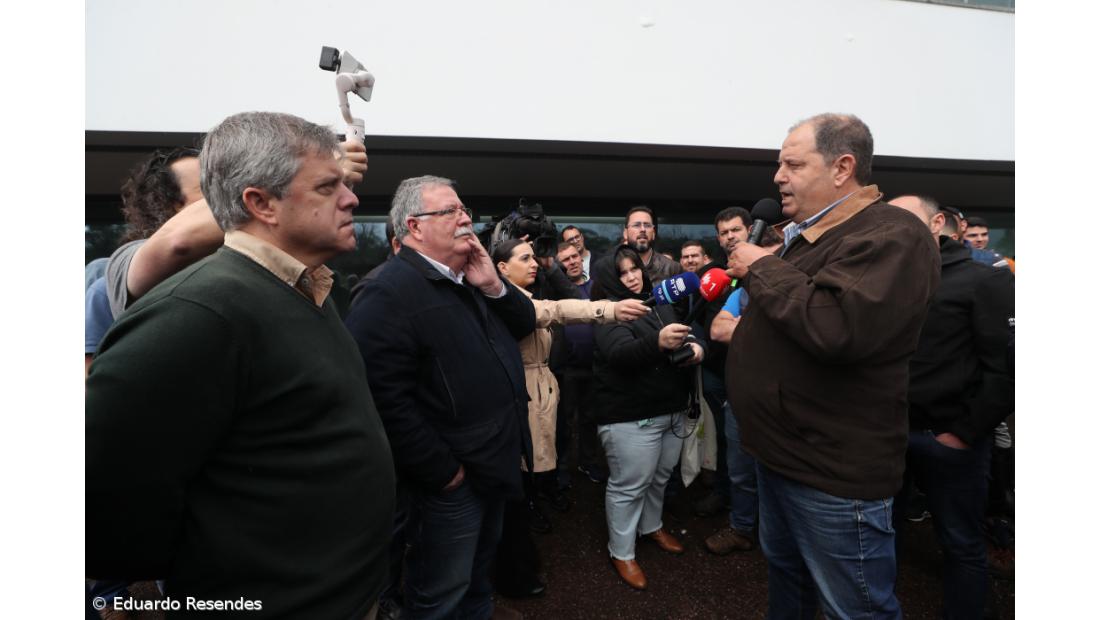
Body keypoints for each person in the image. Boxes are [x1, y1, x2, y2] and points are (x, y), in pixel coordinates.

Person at [86, 111, 395, 618]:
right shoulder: (198, 311)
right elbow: (105, 498)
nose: (352, 198)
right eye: (327, 186)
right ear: (260, 203)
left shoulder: (307, 290)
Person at [725, 113, 940, 618]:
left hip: (831, 476)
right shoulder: (810, 235)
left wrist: (761, 264)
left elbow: (836, 326)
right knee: (790, 582)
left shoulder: (893, 233)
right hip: (781, 457)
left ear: (843, 167)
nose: (778, 176)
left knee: (855, 608)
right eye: (779, 164)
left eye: (793, 164)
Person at [345, 175, 536, 620]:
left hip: (493, 465)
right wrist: (444, 472)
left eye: (464, 208)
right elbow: (381, 398)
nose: (465, 218)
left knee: (477, 581)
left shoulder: (469, 277)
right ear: (414, 227)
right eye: (450, 211)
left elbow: (524, 322)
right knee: (440, 594)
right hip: (451, 484)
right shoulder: (386, 293)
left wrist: (494, 285)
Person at [491, 238, 647, 598]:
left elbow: (561, 294)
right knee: (516, 477)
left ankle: (529, 524)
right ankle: (514, 567)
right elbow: (555, 309)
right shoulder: (507, 300)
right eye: (525, 258)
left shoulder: (519, 292)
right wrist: (607, 309)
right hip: (523, 392)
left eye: (535, 258)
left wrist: (553, 270)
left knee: (538, 462)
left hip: (542, 386)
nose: (535, 264)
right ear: (500, 267)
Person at [889, 194, 1015, 619]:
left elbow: (1007, 369)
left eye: (905, 220)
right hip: (891, 437)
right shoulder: (892, 279)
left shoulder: (985, 279)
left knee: (961, 542)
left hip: (950, 439)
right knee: (885, 535)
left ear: (937, 222)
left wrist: (964, 432)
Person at [591, 246, 706, 590]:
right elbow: (619, 354)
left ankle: (651, 527)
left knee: (658, 478)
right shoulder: (607, 312)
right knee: (630, 486)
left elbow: (686, 334)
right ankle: (622, 552)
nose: (632, 276)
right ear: (611, 278)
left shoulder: (656, 301)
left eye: (635, 268)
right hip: (629, 416)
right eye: (623, 272)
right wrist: (658, 342)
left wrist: (698, 347)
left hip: (669, 410)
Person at [554, 241, 609, 484]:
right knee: (563, 420)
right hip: (565, 369)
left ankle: (588, 463)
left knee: (589, 418)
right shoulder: (554, 292)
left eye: (575, 256)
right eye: (566, 259)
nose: (573, 261)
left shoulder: (596, 288)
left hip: (593, 366)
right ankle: (561, 466)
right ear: (558, 265)